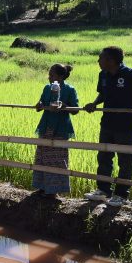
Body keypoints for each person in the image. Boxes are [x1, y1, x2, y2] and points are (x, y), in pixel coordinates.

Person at [84, 46, 132, 207]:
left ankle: (121, 195)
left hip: (125, 125)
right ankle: (103, 190)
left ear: (111, 60)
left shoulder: (131, 74)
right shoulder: (103, 75)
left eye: (101, 58)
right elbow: (103, 94)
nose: (98, 61)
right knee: (104, 157)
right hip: (107, 123)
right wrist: (94, 103)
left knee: (125, 160)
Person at [32, 64, 78, 197]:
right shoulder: (47, 88)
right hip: (46, 126)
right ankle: (42, 187)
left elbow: (75, 109)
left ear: (61, 76)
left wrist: (64, 106)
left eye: (52, 75)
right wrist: (39, 105)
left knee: (57, 160)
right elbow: (41, 104)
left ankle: (53, 191)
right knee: (42, 157)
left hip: (60, 128)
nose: (49, 77)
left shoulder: (70, 89)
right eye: (49, 74)